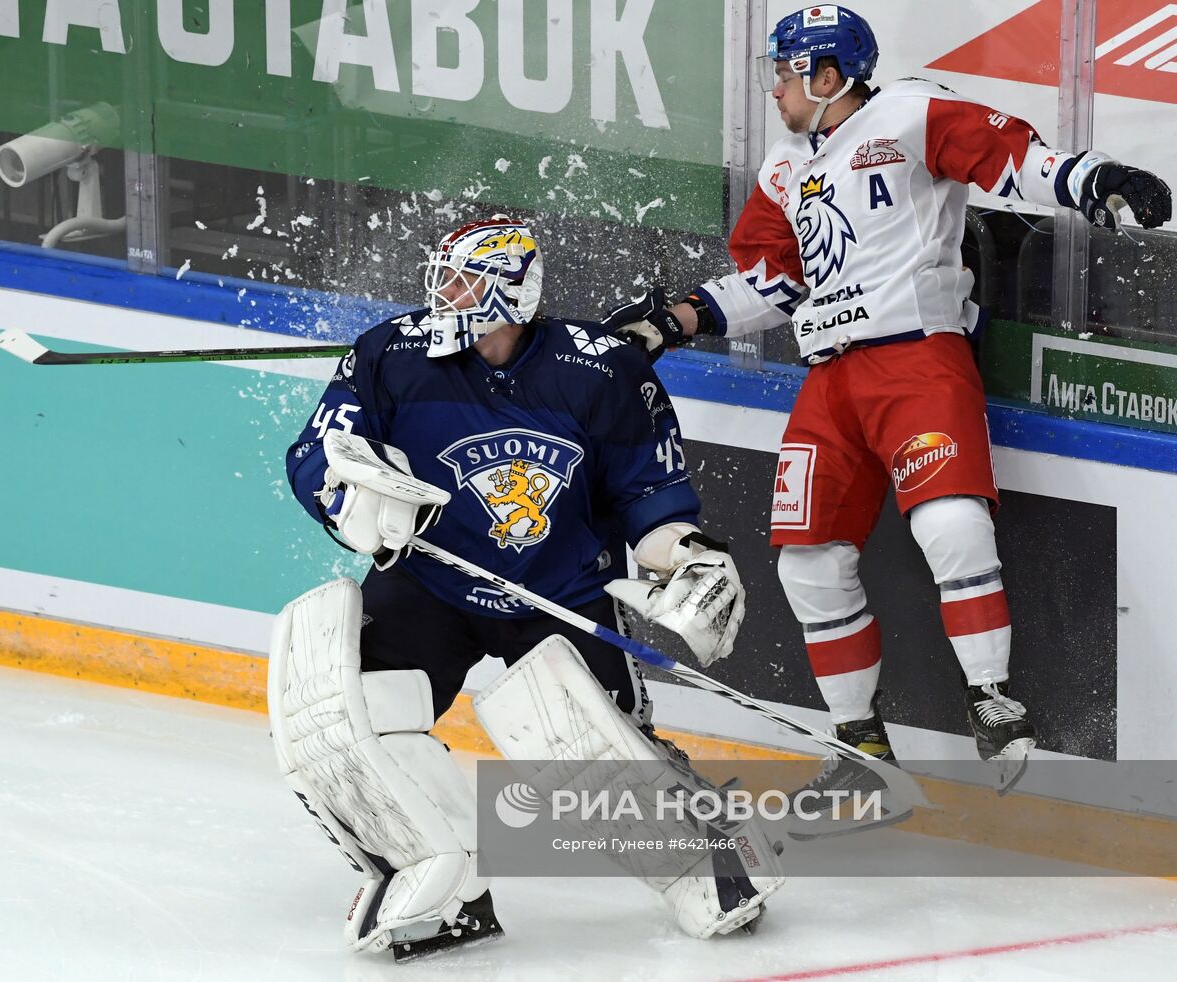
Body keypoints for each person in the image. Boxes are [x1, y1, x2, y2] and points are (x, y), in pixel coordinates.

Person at [602, 6, 1170, 797]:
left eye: (784, 70)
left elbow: (1010, 159)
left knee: (951, 523)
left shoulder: (908, 112)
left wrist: (1096, 177)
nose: (773, 86)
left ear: (826, 75)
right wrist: (676, 320)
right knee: (807, 562)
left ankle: (992, 699)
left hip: (917, 360)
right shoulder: (783, 168)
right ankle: (860, 747)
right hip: (829, 381)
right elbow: (773, 282)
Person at [269, 215, 782, 959]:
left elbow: (652, 501)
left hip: (560, 593)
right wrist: (342, 499)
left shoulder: (603, 372)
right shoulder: (391, 353)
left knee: (586, 753)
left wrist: (690, 556)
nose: (443, 294)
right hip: (431, 581)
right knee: (341, 716)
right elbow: (317, 450)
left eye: (463, 281)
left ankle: (711, 856)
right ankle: (438, 880)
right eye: (441, 277)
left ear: (513, 293)